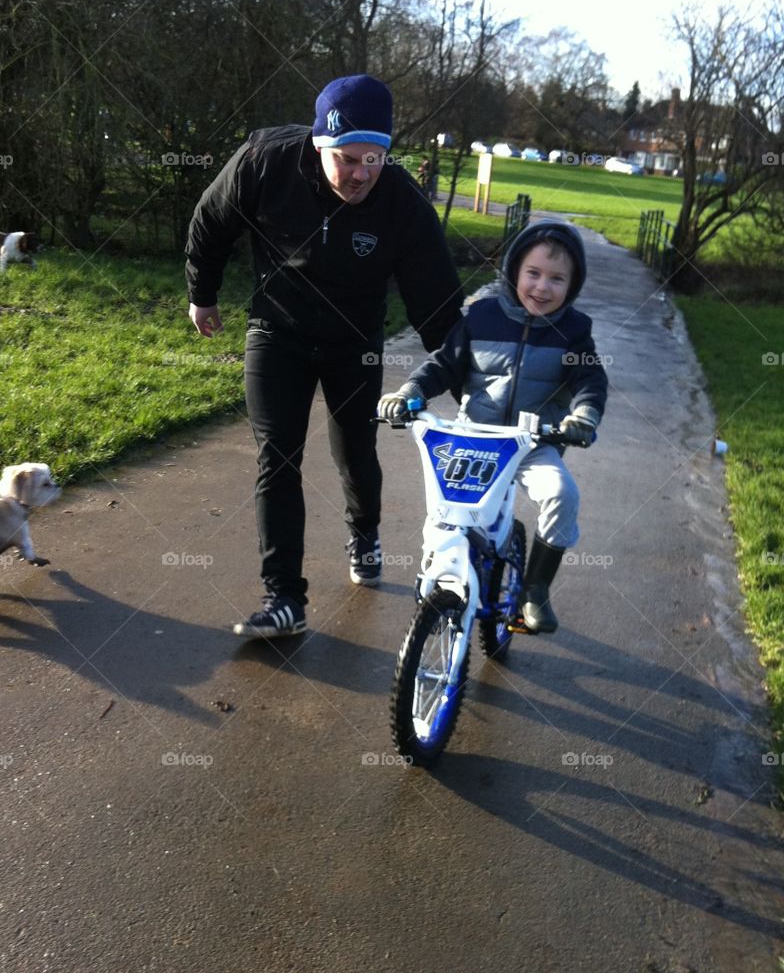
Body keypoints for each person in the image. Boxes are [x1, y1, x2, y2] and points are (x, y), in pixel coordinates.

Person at [186, 74, 462, 638]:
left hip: (353, 344)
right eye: (347, 158)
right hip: (277, 330)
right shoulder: (265, 161)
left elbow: (436, 300)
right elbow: (210, 221)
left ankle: (364, 531)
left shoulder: (401, 203)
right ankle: (285, 598)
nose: (360, 173)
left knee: (354, 452)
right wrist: (202, 294)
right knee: (277, 457)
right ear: (318, 144)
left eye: (374, 158)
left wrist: (470, 380)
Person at [377, 221, 607, 633]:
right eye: (533, 274)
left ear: (571, 286)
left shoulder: (574, 332)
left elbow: (590, 380)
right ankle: (438, 565)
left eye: (557, 279)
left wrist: (583, 417)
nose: (542, 287)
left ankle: (534, 589)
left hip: (534, 441)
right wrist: (411, 392)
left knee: (562, 493)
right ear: (514, 271)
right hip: (474, 437)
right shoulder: (481, 317)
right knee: (450, 513)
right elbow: (444, 365)